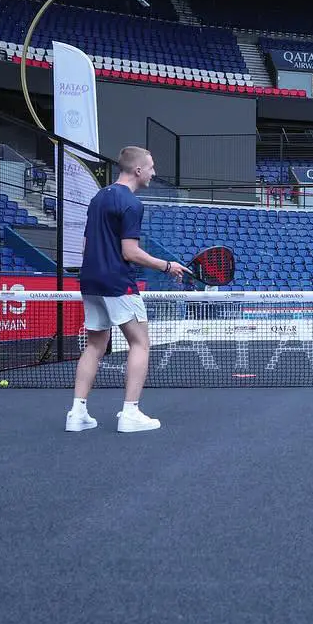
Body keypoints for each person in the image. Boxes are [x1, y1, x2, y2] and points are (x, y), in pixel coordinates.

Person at [66, 146, 185, 433]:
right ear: (138, 170)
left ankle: (76, 413)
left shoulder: (98, 198)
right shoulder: (131, 203)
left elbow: (85, 246)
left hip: (90, 280)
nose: (154, 173)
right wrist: (167, 266)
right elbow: (130, 252)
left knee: (95, 345)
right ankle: (130, 412)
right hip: (118, 283)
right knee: (140, 343)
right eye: (152, 167)